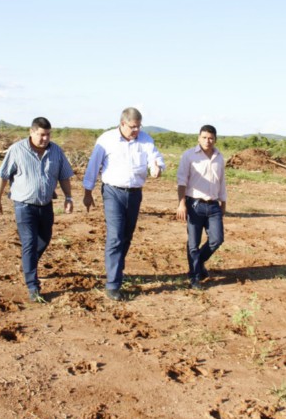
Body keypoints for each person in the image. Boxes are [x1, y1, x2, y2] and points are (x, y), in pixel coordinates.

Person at [83, 107, 165, 301]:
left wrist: (157, 166)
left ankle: (117, 269)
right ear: (122, 123)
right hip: (113, 192)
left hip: (135, 194)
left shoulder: (145, 139)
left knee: (126, 236)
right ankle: (112, 284)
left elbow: (155, 157)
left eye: (138, 126)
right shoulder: (106, 139)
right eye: (132, 127)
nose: (136, 130)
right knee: (115, 236)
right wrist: (88, 192)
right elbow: (93, 166)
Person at [0, 117, 74, 303]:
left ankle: (28, 265)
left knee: (44, 240)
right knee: (29, 243)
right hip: (23, 205)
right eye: (41, 135)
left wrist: (68, 197)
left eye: (48, 135)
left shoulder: (56, 151)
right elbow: (2, 176)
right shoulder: (17, 150)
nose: (45, 139)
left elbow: (64, 176)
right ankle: (33, 286)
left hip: (46, 205)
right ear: (32, 132)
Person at [176, 125, 227, 290]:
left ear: (215, 139)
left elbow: (222, 182)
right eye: (204, 137)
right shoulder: (189, 155)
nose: (207, 141)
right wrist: (181, 203)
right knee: (193, 243)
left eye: (211, 138)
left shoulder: (219, 157)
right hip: (194, 204)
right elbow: (182, 181)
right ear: (199, 138)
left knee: (217, 239)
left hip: (213, 205)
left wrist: (223, 202)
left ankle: (198, 263)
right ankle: (194, 276)